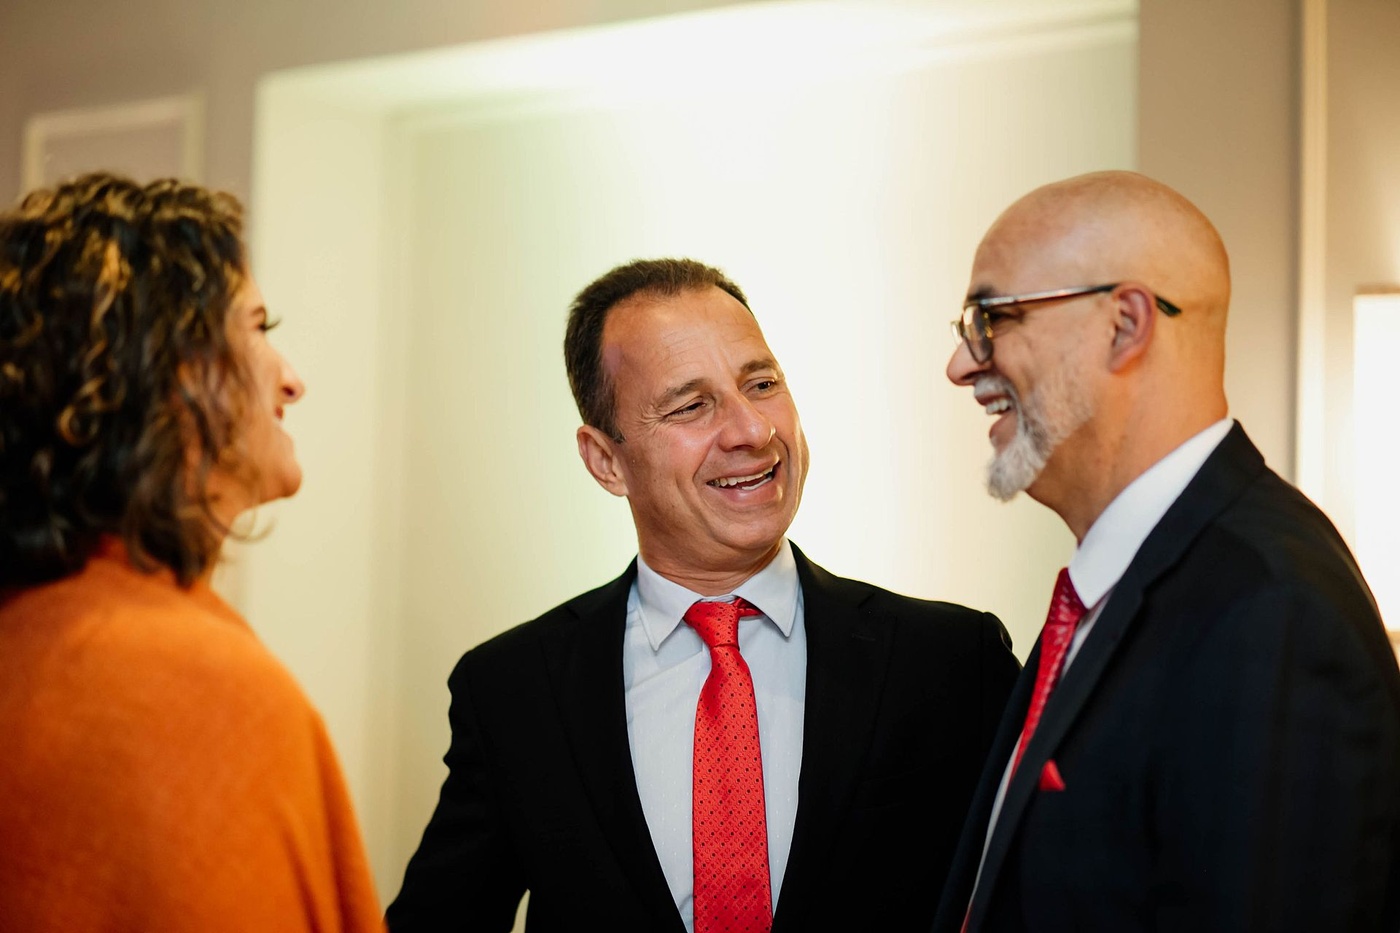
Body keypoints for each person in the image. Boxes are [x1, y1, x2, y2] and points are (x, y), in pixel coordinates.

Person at [387, 257, 1019, 932]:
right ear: (606, 460)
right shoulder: (515, 689)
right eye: (691, 406)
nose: (752, 430)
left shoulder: (951, 662)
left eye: (762, 384)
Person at [933, 170, 1400, 932]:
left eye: (992, 317)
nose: (961, 364)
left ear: (1125, 324)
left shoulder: (1271, 608)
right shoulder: (1118, 590)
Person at [0, 173, 384, 931]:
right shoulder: (205, 694)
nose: (293, 381)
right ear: (177, 370)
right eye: (260, 327)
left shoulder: (26, 638)